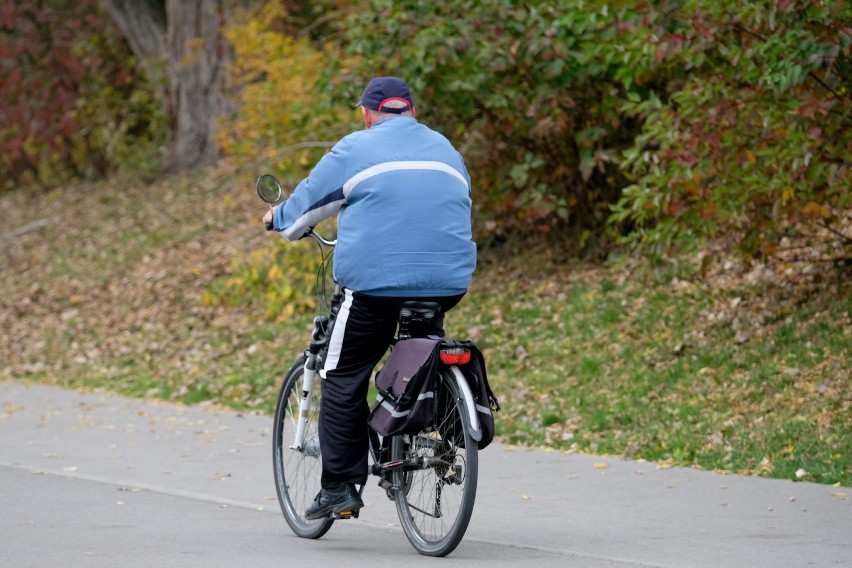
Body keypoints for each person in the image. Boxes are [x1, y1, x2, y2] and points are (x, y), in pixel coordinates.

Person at [262, 76, 476, 520]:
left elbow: (302, 209)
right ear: (412, 111)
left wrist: (277, 218)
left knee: (343, 372)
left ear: (366, 113)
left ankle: (340, 486)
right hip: (447, 282)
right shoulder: (447, 149)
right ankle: (419, 438)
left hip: (377, 286)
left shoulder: (354, 148)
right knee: (420, 361)